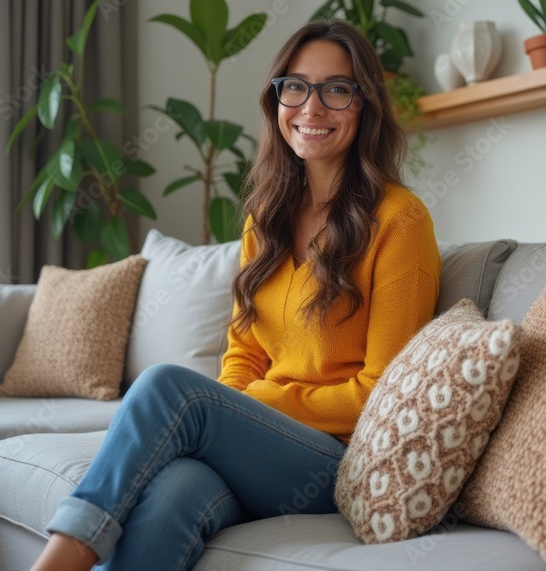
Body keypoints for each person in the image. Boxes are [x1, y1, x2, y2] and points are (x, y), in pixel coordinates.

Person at [29, 19, 441, 571]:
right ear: (276, 100)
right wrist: (233, 418)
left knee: (168, 388)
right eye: (295, 86)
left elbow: (381, 394)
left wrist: (239, 409)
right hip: (261, 448)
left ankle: (61, 556)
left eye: (336, 89)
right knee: (172, 496)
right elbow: (243, 353)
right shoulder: (265, 220)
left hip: (338, 460)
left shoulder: (398, 221)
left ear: (365, 104)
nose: (311, 107)